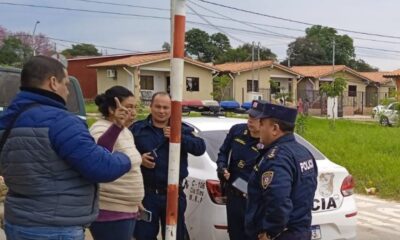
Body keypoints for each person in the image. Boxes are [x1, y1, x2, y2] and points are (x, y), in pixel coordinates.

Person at [0, 56, 131, 240]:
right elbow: (101, 167)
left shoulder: (7, 120)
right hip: (55, 227)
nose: (68, 92)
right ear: (53, 82)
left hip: (18, 222)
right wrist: (124, 158)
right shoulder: (61, 122)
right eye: (66, 84)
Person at [131, 92, 206, 240]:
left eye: (166, 107)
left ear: (172, 109)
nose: (161, 111)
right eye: (158, 107)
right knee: (143, 236)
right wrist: (139, 159)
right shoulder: (137, 129)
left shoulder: (181, 128)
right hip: (147, 195)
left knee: (175, 235)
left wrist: (178, 137)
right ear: (151, 107)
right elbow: (122, 153)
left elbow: (200, 148)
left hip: (174, 194)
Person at [245, 102, 318, 240]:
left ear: (274, 128)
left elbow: (278, 201)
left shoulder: (277, 158)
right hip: (300, 231)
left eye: (262, 123)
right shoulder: (303, 152)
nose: (259, 128)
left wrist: (270, 233)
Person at [89, 86, 144, 240]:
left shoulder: (126, 131)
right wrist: (117, 126)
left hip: (128, 208)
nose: (133, 112)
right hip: (110, 210)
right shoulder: (99, 128)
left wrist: (136, 200)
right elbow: (100, 158)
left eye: (134, 107)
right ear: (113, 109)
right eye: (128, 107)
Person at [216, 100, 265, 240]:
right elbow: (223, 152)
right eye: (249, 117)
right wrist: (221, 167)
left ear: (264, 121)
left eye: (254, 118)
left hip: (253, 200)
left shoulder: (266, 142)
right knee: (235, 235)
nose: (250, 121)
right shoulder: (237, 130)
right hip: (234, 197)